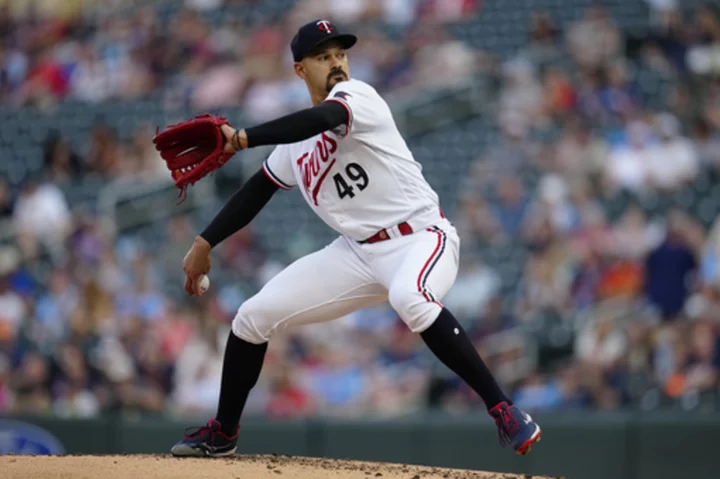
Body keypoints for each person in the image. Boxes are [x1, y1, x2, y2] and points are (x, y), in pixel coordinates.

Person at [170, 19, 542, 457]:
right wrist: (204, 242)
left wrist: (245, 137)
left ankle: (503, 409)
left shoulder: (357, 96)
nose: (336, 64)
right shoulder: (295, 145)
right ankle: (223, 433)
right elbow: (258, 191)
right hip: (357, 253)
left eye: (340, 55)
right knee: (251, 317)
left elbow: (324, 117)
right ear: (299, 70)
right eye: (323, 57)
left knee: (410, 296)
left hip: (420, 237)